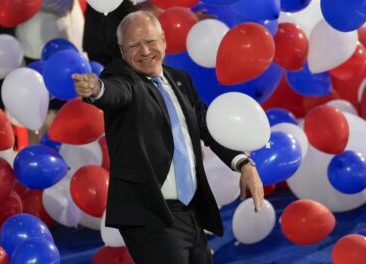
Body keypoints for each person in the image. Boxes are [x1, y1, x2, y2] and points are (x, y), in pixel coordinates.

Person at [73, 11, 264, 264]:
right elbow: (113, 91)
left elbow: (208, 126)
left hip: (190, 211)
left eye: (150, 41)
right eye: (133, 45)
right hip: (151, 213)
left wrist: (243, 163)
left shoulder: (180, 79)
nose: (144, 51)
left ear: (163, 41)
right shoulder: (122, 77)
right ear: (122, 51)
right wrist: (96, 89)